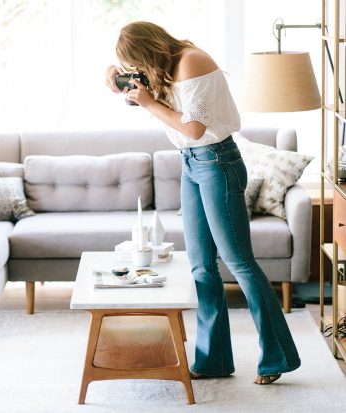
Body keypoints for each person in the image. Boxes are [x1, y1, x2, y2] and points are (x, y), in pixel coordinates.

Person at [105, 21, 301, 385]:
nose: (137, 72)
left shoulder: (191, 61)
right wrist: (119, 79)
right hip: (191, 163)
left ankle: (278, 357)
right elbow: (183, 129)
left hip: (217, 162)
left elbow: (194, 128)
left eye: (136, 63)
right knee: (200, 267)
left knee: (239, 262)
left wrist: (148, 102)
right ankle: (213, 361)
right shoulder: (164, 71)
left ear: (149, 50)